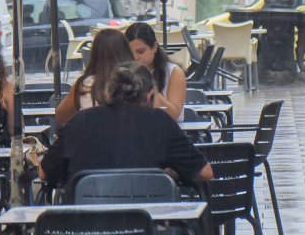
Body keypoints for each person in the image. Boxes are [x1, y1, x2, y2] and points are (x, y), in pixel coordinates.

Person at [41, 62, 213, 186]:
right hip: (146, 228)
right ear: (149, 95)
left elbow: (44, 172)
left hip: (88, 228)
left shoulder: (79, 121)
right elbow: (205, 172)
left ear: (108, 93)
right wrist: (169, 174)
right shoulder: (161, 123)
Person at [53, 28, 133, 125]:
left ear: (94, 54)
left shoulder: (84, 84)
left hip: (92, 137)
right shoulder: (136, 80)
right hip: (130, 136)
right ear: (127, 52)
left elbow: (60, 117)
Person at [125, 21, 187, 120]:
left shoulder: (174, 72)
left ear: (154, 47)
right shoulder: (124, 72)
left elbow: (174, 114)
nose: (135, 57)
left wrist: (151, 88)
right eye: (129, 52)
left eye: (141, 52)